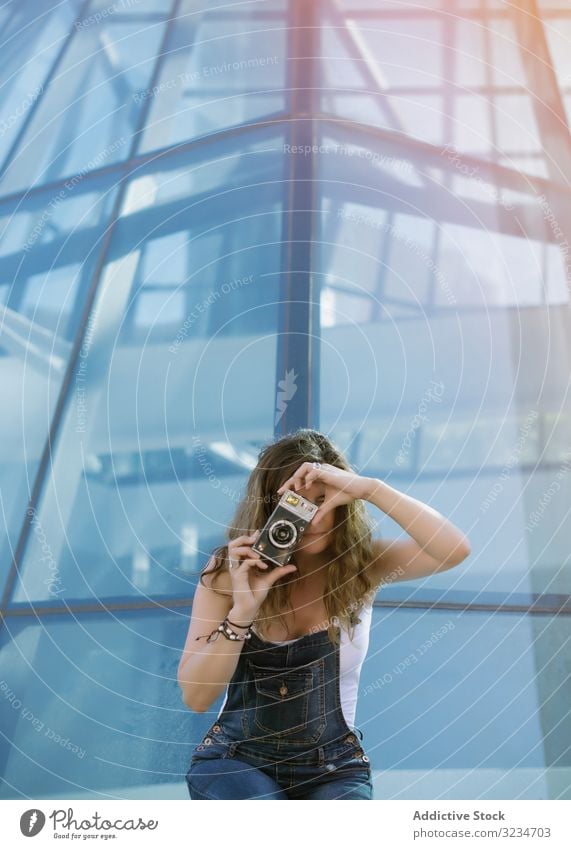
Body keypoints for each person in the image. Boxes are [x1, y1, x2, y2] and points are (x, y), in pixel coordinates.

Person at [178, 428, 471, 800]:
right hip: (236, 760)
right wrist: (243, 610)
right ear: (270, 509)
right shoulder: (230, 570)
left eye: (323, 501)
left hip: (335, 769)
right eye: (294, 505)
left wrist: (370, 488)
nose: (312, 519)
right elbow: (197, 698)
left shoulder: (362, 567)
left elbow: (454, 550)